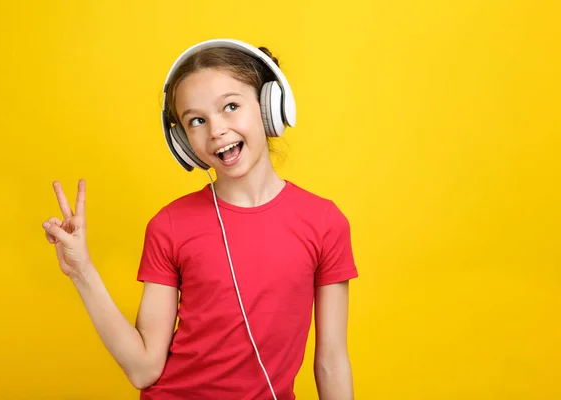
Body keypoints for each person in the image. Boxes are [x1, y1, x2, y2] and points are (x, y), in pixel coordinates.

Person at [42, 38, 358, 400]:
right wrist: (81, 270)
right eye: (197, 120)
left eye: (231, 106)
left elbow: (331, 361)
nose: (216, 130)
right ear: (182, 140)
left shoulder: (324, 222)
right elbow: (144, 369)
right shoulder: (169, 226)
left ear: (269, 106)